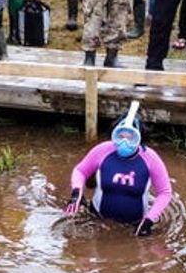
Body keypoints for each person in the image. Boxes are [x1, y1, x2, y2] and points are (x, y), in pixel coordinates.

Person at [64, 101, 172, 237]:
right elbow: (80, 171)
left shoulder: (150, 158)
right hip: (97, 219)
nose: (124, 142)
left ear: (140, 138)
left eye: (130, 138)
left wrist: (149, 220)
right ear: (114, 134)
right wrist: (76, 192)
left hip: (135, 225)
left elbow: (165, 192)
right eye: (120, 136)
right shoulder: (103, 150)